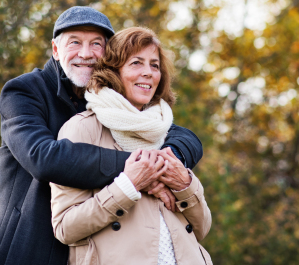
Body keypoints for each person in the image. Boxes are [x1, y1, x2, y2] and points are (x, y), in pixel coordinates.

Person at [0, 7, 203, 265]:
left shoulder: (112, 104)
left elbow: (180, 135)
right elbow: (43, 159)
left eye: (96, 44)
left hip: (91, 248)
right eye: (74, 42)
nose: (85, 53)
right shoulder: (24, 92)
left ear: (108, 53)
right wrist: (142, 170)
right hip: (31, 244)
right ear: (55, 49)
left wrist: (164, 163)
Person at [50, 27, 212, 265]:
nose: (148, 73)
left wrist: (185, 186)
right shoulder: (81, 129)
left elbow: (202, 227)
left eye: (154, 65)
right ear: (113, 71)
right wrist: (128, 186)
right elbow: (65, 227)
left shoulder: (163, 129)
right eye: (136, 63)